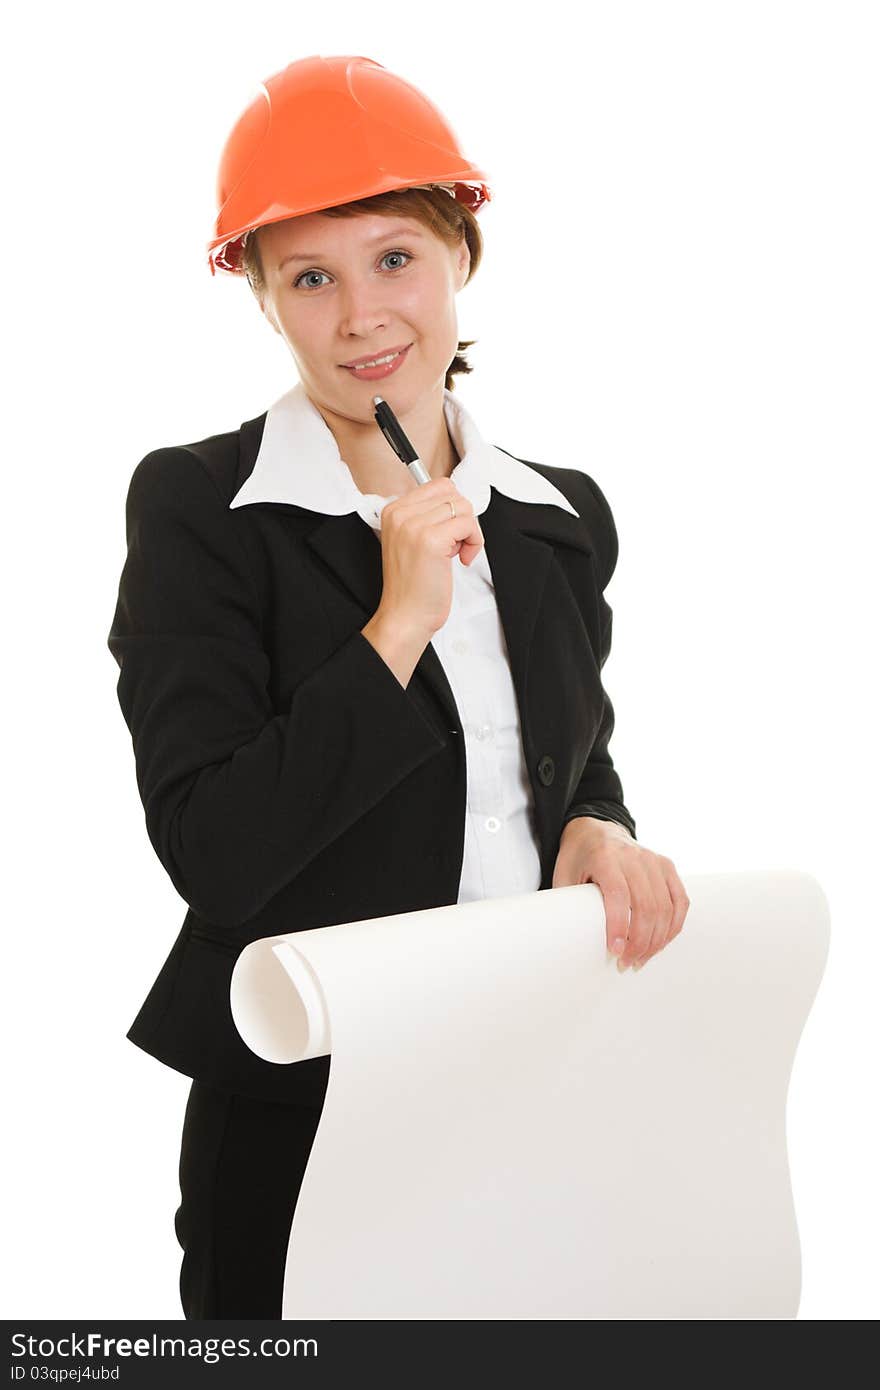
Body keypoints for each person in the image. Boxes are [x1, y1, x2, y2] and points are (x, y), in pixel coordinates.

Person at [107, 54, 689, 1319]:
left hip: (536, 1075)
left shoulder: (559, 516)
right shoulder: (201, 508)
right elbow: (216, 849)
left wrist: (599, 824)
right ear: (261, 296)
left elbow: (564, 755)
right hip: (305, 1104)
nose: (363, 313)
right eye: (310, 276)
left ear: (460, 255)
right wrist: (397, 624)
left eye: (394, 259)